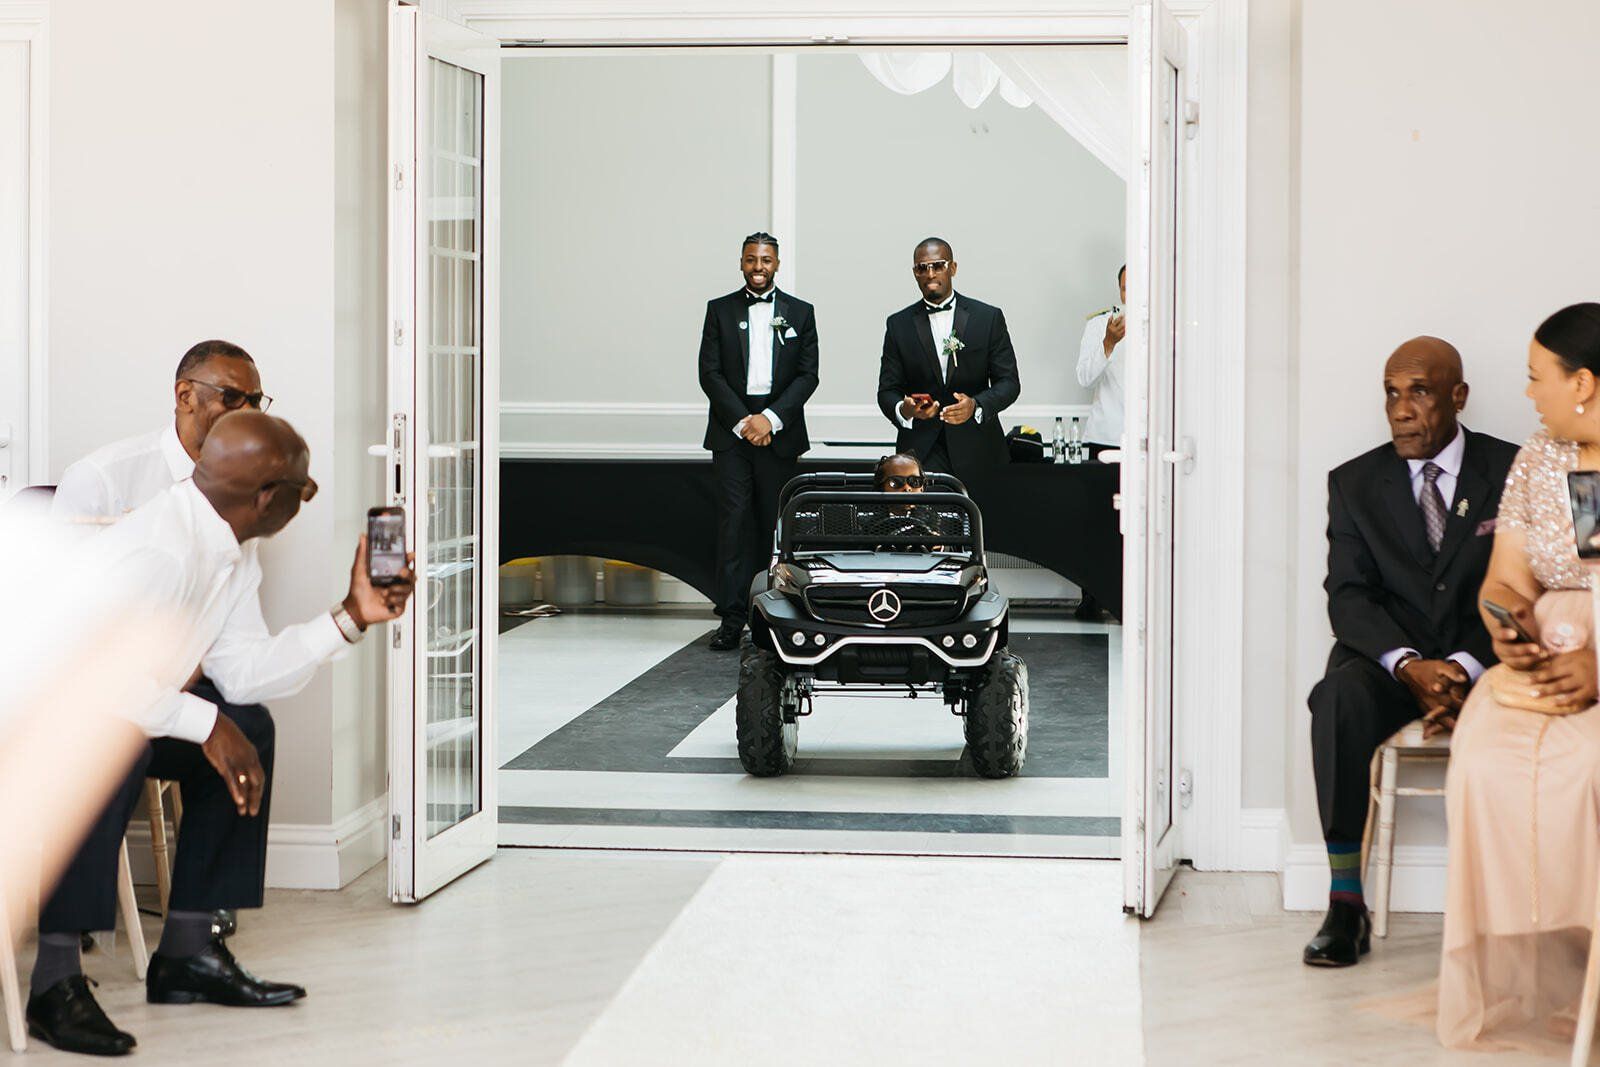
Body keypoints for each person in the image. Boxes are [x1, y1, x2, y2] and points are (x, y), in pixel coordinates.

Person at [25, 412, 415, 1057]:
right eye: (303, 486)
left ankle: (187, 952)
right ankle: (54, 981)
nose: (307, 496)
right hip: (46, 716)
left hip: (124, 705)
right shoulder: (159, 550)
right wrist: (206, 724)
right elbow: (95, 683)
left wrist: (351, 617)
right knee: (111, 750)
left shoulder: (231, 548)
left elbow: (240, 673)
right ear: (267, 497)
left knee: (249, 726)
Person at [1304, 336, 1518, 968]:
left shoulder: (1512, 471)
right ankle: (1346, 904)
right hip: (1389, 663)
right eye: (1391, 394)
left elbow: (1521, 587)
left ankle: (1516, 913)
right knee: (1336, 697)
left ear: (1458, 398)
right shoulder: (1353, 483)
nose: (1400, 409)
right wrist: (1407, 664)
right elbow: (1347, 596)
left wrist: (1464, 667)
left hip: (1486, 660)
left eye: (1419, 392)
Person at [1434, 303, 1600, 1050]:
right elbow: (1506, 578)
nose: (1529, 394)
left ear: (1586, 384)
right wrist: (1507, 626)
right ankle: (1547, 970)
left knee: (1584, 774)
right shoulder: (1541, 457)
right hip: (1545, 653)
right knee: (1482, 762)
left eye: (1539, 379)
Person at [698, 232, 820, 652]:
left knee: (777, 527)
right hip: (732, 435)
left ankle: (778, 617)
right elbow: (709, 373)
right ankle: (731, 619)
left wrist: (769, 419)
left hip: (779, 433)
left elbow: (808, 375)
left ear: (777, 264)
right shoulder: (720, 311)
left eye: (766, 260)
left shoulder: (801, 313)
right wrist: (743, 421)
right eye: (751, 259)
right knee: (733, 526)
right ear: (741, 263)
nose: (758, 267)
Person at [53, 339, 269, 522]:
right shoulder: (98, 478)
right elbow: (65, 569)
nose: (249, 411)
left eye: (255, 400)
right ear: (185, 396)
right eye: (231, 397)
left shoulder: (246, 481)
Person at [876, 237, 1020, 482]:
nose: (930, 273)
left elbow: (1009, 383)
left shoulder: (987, 318)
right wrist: (907, 410)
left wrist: (975, 405)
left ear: (952, 268)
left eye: (938, 265)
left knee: (983, 520)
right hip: (921, 453)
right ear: (915, 273)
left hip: (979, 448)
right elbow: (887, 391)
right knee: (925, 520)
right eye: (922, 268)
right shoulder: (898, 325)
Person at [1075, 265, 1127, 455]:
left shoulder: (1168, 326)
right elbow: (1084, 379)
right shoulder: (1098, 325)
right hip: (1106, 437)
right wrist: (1108, 343)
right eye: (1125, 288)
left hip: (1154, 440)